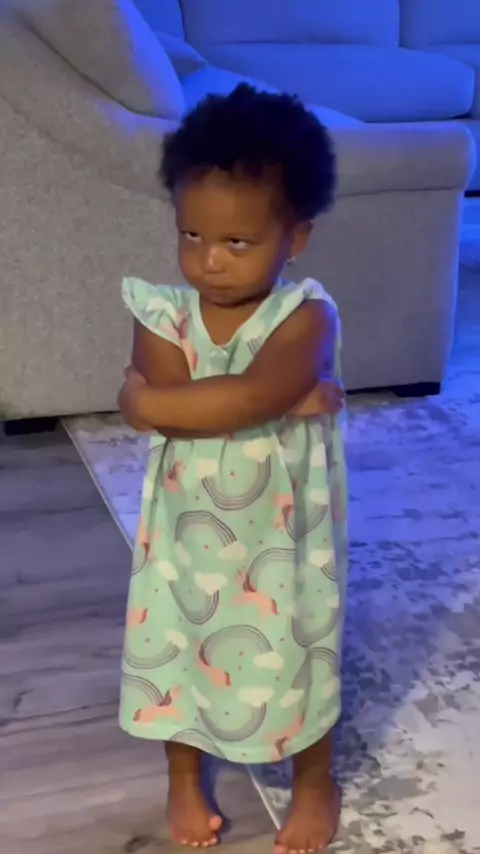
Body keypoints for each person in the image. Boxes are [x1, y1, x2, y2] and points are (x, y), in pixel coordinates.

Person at [118, 84, 348, 854]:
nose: (208, 261)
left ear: (296, 237)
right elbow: (199, 405)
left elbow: (235, 397)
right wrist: (270, 399)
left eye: (238, 242)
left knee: (301, 650)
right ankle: (184, 777)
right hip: (185, 536)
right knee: (177, 645)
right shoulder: (161, 311)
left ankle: (314, 781)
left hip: (285, 537)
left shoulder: (306, 316)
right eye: (191, 234)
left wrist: (148, 402)